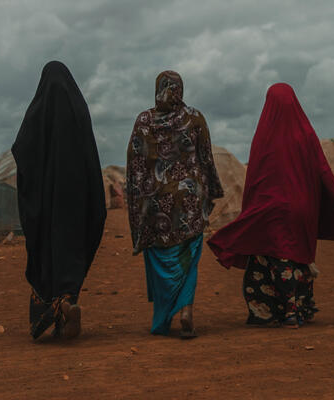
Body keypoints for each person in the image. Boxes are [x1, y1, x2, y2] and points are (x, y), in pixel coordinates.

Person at [208, 83, 334, 327]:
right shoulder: (305, 135)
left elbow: (255, 180)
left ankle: (268, 312)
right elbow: (324, 173)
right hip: (301, 211)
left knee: (269, 258)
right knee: (295, 258)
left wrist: (251, 210)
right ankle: (296, 310)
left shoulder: (264, 135)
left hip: (269, 210)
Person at [12, 61, 107, 341]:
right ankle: (67, 300)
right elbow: (91, 158)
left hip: (44, 205)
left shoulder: (37, 114)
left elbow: (21, 150)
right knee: (71, 252)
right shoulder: (79, 112)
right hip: (77, 203)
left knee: (45, 254)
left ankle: (55, 308)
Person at [126, 71, 223, 338]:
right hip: (189, 204)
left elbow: (135, 165)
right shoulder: (194, 117)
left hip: (156, 205)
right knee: (189, 260)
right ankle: (186, 310)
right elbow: (206, 157)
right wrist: (211, 190)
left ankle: (165, 317)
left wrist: (137, 203)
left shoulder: (144, 121)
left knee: (161, 261)